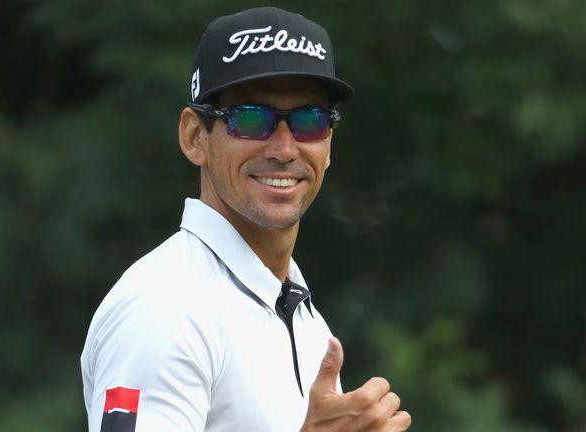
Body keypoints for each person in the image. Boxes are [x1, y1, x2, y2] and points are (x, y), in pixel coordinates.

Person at [80, 7, 411, 432]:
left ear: (329, 144)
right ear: (195, 137)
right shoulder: (162, 307)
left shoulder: (299, 313)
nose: (285, 149)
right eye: (252, 119)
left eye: (309, 120)